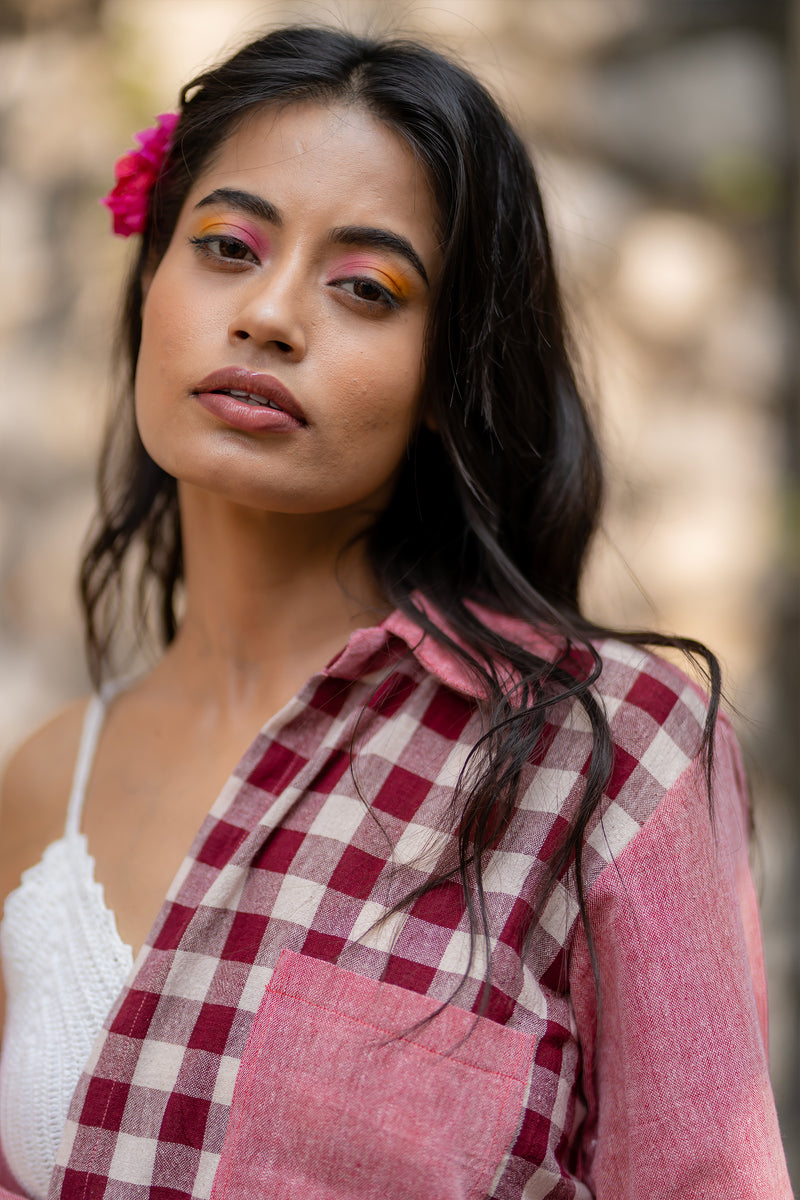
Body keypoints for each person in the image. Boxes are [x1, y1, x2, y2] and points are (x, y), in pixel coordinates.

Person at [0, 23, 791, 1200]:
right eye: (224, 246)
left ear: (444, 381)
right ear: (152, 280)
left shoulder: (606, 755)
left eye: (365, 287)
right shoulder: (43, 781)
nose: (269, 314)